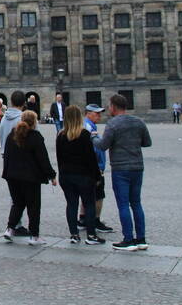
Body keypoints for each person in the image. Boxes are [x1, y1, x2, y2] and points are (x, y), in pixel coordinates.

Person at [97, 94, 151, 251]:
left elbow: (103, 145)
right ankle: (141, 239)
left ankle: (128, 239)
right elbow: (147, 143)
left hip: (120, 169)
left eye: (109, 105)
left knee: (123, 204)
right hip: (137, 167)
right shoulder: (138, 121)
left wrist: (93, 138)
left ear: (113, 106)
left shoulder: (112, 124)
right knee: (136, 203)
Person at [2, 110, 56, 245]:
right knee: (33, 206)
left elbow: (6, 156)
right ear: (34, 122)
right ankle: (34, 236)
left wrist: (7, 172)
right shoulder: (35, 136)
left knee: (18, 203)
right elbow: (43, 159)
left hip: (12, 176)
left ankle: (9, 229)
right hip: (30, 178)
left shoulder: (11, 135)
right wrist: (52, 175)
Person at [56, 105, 105, 245]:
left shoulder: (61, 135)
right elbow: (90, 159)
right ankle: (91, 235)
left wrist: (61, 175)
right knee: (89, 204)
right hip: (83, 176)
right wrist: (97, 177)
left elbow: (59, 158)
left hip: (66, 176)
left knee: (71, 204)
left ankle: (74, 235)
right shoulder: (84, 134)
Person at [0, 90, 31, 236]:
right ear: (24, 103)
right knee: (24, 195)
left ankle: (16, 223)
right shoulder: (23, 120)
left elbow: (0, 137)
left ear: (11, 102)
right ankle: (16, 225)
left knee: (14, 194)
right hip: (21, 159)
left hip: (7, 158)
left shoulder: (4, 118)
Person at [78, 104, 114, 234]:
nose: (99, 116)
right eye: (96, 113)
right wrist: (97, 167)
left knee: (87, 193)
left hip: (89, 166)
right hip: (95, 167)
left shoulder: (89, 125)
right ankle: (95, 220)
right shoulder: (88, 127)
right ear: (88, 114)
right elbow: (91, 150)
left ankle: (82, 219)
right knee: (98, 195)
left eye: (99, 113)